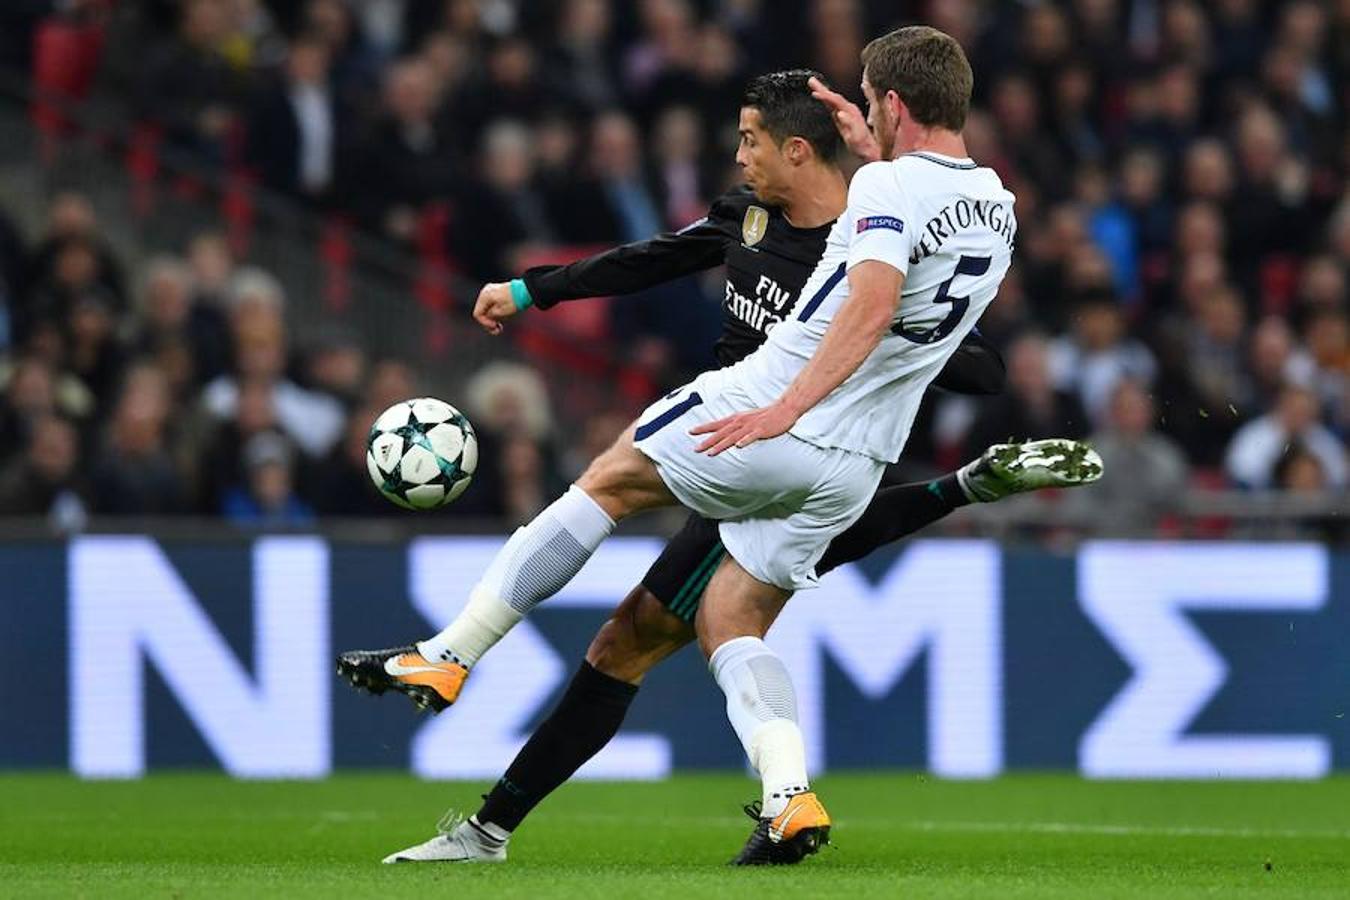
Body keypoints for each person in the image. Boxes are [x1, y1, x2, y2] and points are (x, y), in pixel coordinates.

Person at [342, 50, 1100, 866]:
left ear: (879, 106)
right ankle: (786, 799)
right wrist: (538, 289)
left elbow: (890, 311)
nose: (740, 156)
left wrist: (786, 405)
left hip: (763, 413)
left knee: (607, 488)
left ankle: (451, 656)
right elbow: (901, 280)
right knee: (724, 621)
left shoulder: (877, 199)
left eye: (750, 140)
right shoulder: (991, 205)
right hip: (853, 460)